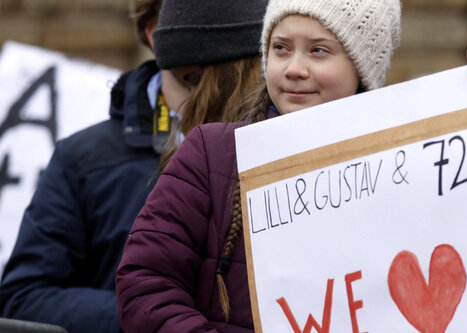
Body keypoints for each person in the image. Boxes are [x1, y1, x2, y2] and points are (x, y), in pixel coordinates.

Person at [115, 0, 401, 331]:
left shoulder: (400, 166)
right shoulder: (211, 154)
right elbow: (145, 282)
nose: (294, 68)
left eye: (318, 51)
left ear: (362, 68)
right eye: (281, 48)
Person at [0, 0, 266, 331]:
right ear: (156, 33)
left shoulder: (286, 143)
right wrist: (148, 311)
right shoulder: (85, 160)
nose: (205, 106)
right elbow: (23, 297)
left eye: (232, 83)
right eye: (190, 80)